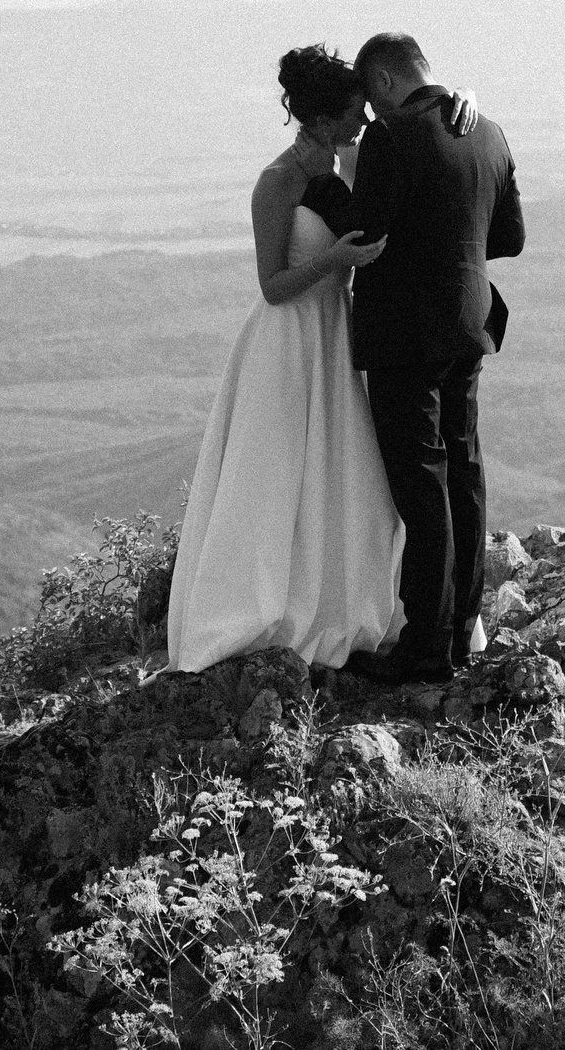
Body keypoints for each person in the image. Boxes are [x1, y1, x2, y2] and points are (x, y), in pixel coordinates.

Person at [164, 45, 405, 672]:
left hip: (337, 333)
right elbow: (271, 284)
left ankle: (340, 600)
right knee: (275, 478)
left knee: (344, 471)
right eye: (354, 111)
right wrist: (336, 262)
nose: (364, 119)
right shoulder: (276, 183)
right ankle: (264, 606)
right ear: (323, 119)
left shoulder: (351, 162)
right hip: (288, 338)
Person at [340, 32, 524, 685]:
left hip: (403, 333)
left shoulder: (392, 140)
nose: (369, 115)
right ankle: (462, 630)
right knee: (464, 469)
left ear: (386, 82)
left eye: (370, 98)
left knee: (423, 483)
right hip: (468, 324)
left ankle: (425, 646)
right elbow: (510, 237)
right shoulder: (491, 133)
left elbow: (365, 233)